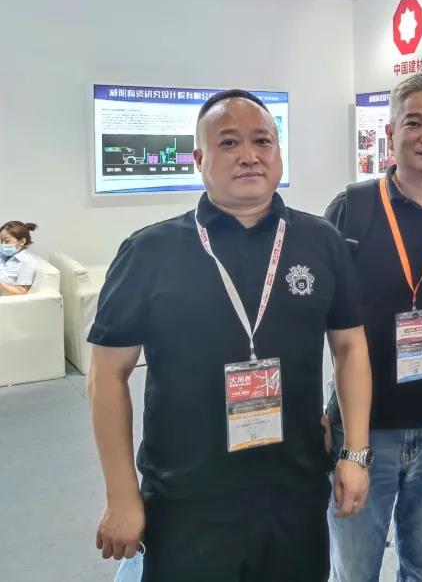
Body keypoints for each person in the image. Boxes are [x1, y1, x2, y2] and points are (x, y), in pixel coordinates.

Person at [87, 89, 374, 582]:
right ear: (199, 159)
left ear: (278, 152)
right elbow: (106, 375)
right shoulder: (150, 252)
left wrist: (355, 453)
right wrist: (121, 494)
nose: (249, 155)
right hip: (188, 498)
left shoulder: (320, 241)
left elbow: (350, 347)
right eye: (228, 142)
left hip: (294, 490)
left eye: (262, 140)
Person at [323, 74, 422, 582]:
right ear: (391, 132)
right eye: (414, 123)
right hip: (364, 427)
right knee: (356, 569)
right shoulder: (351, 209)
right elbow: (313, 321)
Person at [0, 220, 39, 295]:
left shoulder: (27, 262)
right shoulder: (2, 255)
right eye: (1, 241)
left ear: (22, 242)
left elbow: (21, 292)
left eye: (7, 241)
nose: (2, 244)